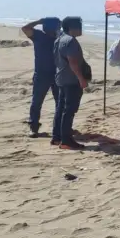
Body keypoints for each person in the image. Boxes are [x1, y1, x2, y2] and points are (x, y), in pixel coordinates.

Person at [21, 17, 61, 137]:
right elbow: (25, 28)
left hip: (57, 74)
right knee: (37, 102)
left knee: (60, 102)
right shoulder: (38, 35)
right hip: (42, 74)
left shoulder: (60, 37)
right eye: (58, 26)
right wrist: (39, 21)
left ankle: (60, 127)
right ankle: (33, 127)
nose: (59, 28)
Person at [52, 17, 87, 149]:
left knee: (61, 109)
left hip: (61, 78)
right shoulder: (70, 41)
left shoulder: (59, 39)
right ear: (72, 27)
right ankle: (66, 140)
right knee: (69, 110)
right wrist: (81, 78)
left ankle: (57, 137)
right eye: (79, 25)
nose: (81, 28)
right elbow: (73, 62)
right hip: (71, 80)